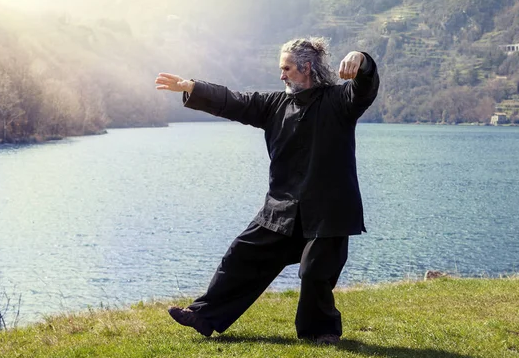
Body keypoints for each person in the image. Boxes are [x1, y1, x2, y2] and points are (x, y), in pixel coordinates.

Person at [155, 37, 379, 344]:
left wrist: (361, 59)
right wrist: (193, 88)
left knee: (314, 273)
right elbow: (236, 101)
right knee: (241, 254)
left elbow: (365, 87)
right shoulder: (275, 104)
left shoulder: (340, 101)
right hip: (283, 209)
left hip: (327, 212)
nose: (282, 75)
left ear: (307, 67)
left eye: (286, 68)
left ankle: (321, 332)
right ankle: (204, 316)